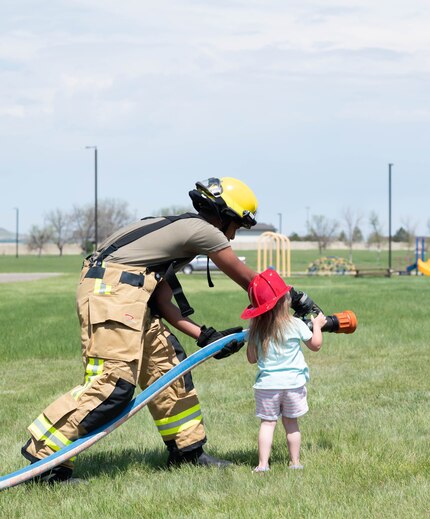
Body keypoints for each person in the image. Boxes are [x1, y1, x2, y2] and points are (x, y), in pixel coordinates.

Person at [22, 177, 261, 483]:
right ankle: (43, 458)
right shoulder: (203, 231)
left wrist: (204, 336)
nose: (235, 235)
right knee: (113, 385)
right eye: (238, 226)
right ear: (226, 215)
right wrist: (294, 300)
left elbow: (161, 300)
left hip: (130, 295)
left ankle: (187, 452)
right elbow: (250, 281)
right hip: (113, 295)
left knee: (169, 369)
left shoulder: (172, 230)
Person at [240, 269, 325, 473]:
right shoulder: (295, 324)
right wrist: (318, 326)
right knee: (291, 424)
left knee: (267, 424)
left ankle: (262, 465)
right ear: (285, 301)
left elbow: (252, 359)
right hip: (293, 384)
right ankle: (295, 463)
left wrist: (252, 335)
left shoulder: (256, 331)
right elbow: (316, 345)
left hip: (267, 386)